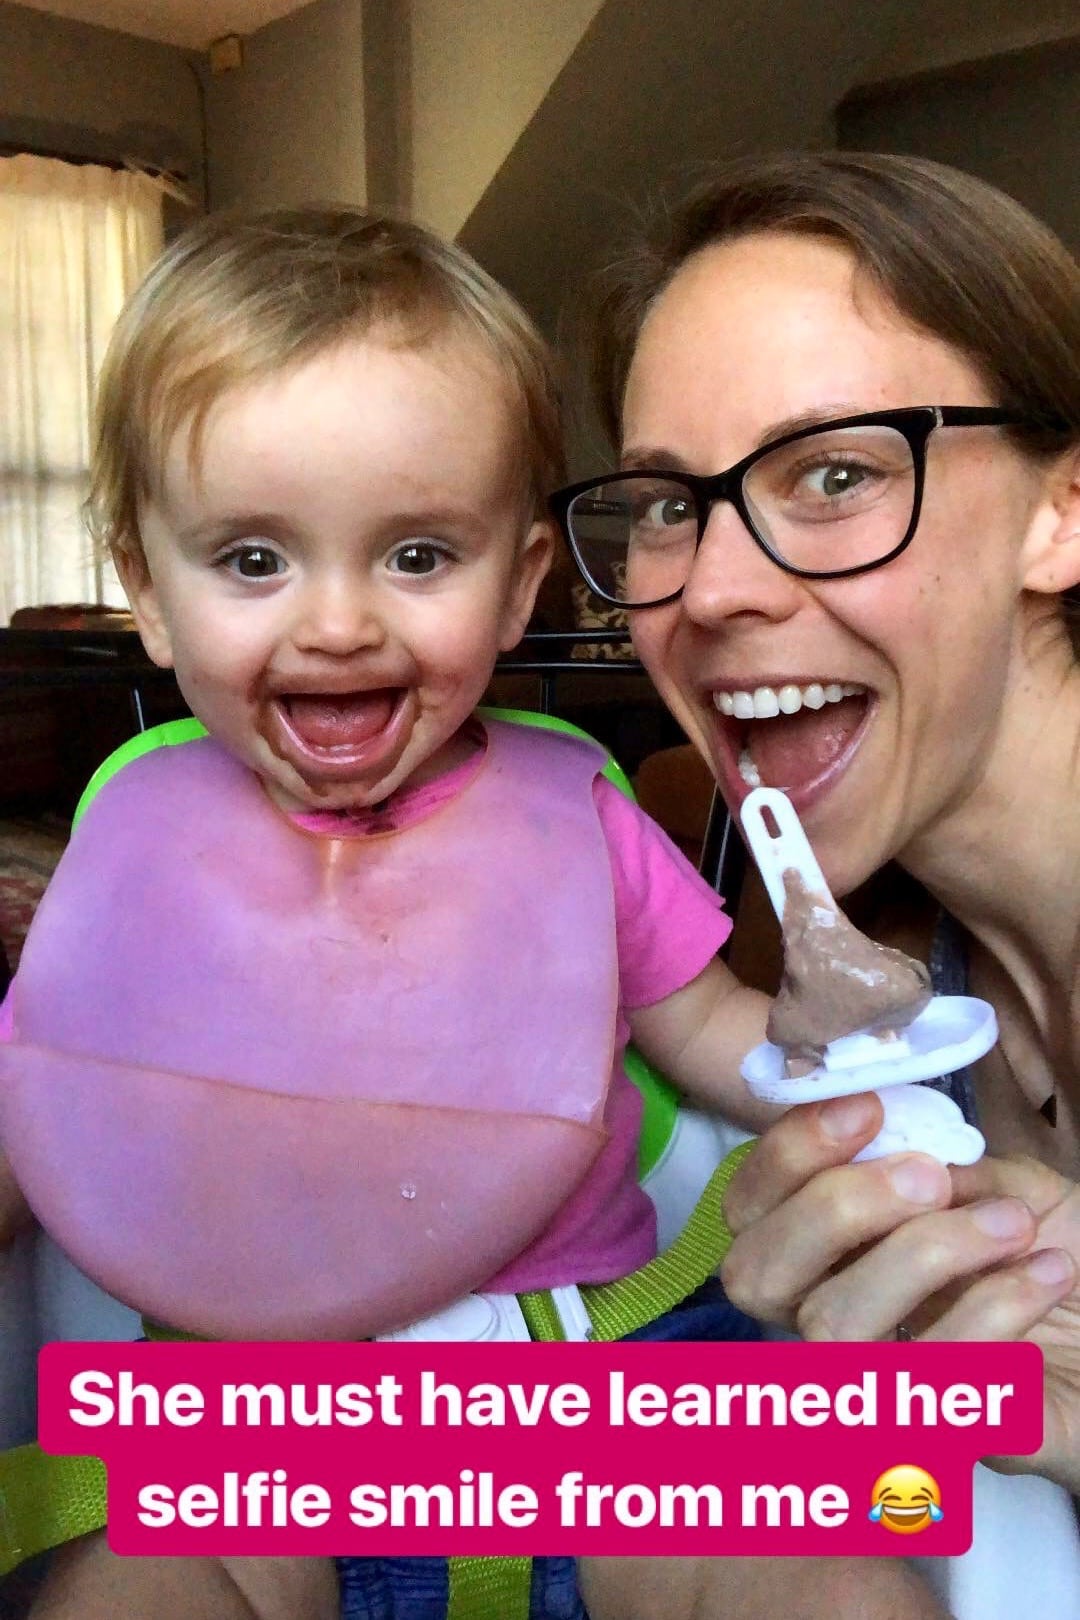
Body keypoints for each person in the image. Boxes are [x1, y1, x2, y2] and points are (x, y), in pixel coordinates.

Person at [0, 204, 941, 1620]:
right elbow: (68, 1094)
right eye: (253, 560)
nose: (336, 624)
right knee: (132, 1588)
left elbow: (705, 1028)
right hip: (262, 1413)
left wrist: (820, 1048)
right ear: (146, 586)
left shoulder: (581, 814)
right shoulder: (136, 836)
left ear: (519, 587)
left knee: (828, 1575)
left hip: (607, 1380)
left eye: (417, 557)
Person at [553, 149, 1080, 1618]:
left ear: (1066, 509)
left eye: (835, 472)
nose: (710, 587)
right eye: (666, 506)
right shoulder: (872, 987)